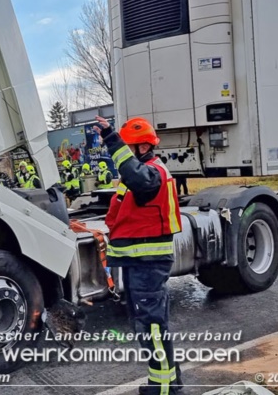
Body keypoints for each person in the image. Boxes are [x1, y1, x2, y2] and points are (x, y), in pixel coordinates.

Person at [95, 115, 182, 395]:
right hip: (138, 262)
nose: (122, 159)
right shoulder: (140, 174)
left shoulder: (152, 173)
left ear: (143, 148)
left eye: (128, 148)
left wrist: (111, 139)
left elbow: (136, 177)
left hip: (148, 264)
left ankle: (164, 389)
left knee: (152, 327)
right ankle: (168, 384)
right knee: (148, 326)